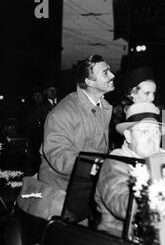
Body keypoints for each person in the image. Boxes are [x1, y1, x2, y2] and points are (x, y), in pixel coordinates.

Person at [17, 55, 114, 220]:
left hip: (86, 191)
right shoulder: (64, 112)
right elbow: (59, 156)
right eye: (106, 72)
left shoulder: (102, 107)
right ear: (89, 82)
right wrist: (98, 167)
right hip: (62, 199)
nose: (112, 75)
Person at [95, 102, 165, 237]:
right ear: (129, 136)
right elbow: (125, 208)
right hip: (122, 238)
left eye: (156, 133)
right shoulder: (115, 163)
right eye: (144, 131)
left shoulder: (164, 159)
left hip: (162, 234)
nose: (152, 138)